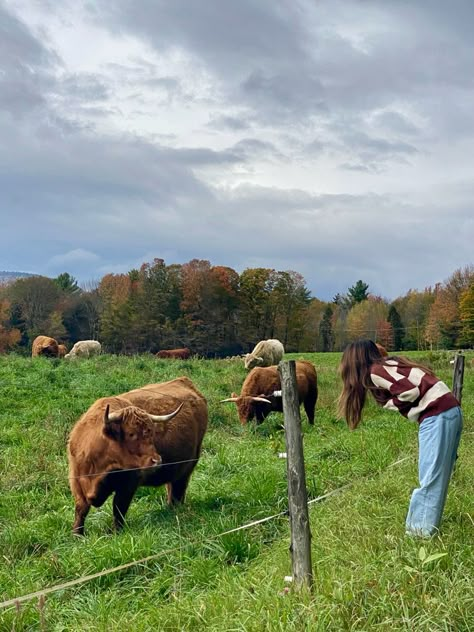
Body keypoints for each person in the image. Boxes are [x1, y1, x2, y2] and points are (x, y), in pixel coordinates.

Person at [337, 339, 462, 538]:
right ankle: (427, 526)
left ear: (355, 360)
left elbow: (408, 391)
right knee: (437, 475)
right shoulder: (390, 363)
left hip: (437, 415)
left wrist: (390, 404)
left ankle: (418, 534)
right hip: (449, 410)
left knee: (430, 477)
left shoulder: (374, 372)